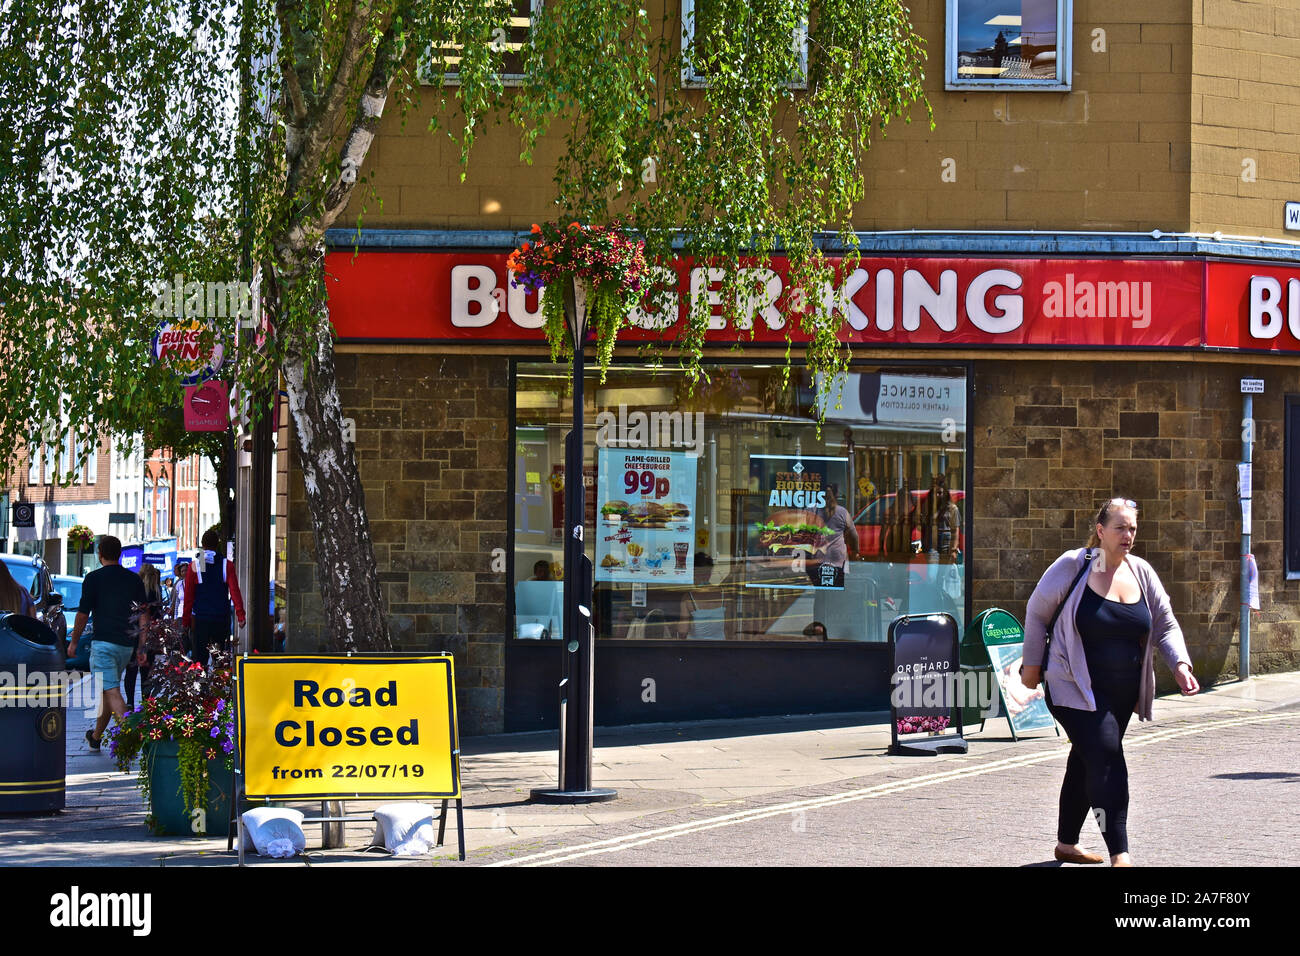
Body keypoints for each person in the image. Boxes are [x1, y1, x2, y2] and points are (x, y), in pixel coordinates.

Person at [1021, 498, 1200, 867]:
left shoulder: (1141, 572)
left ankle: (1066, 845)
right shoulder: (1074, 566)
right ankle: (1121, 852)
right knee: (1106, 758)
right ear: (1100, 531)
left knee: (1087, 761)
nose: (1128, 535)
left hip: (1121, 694)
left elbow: (1165, 624)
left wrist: (1180, 664)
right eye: (1120, 528)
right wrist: (1032, 666)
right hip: (1072, 685)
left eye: (1132, 528)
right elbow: (1037, 615)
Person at [67, 536, 149, 751]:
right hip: (125, 646)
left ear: (99, 554)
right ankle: (95, 737)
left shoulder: (93, 578)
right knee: (108, 690)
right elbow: (143, 614)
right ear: (120, 554)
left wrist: (74, 642)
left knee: (112, 691)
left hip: (103, 644)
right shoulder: (134, 580)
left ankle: (133, 737)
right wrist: (141, 645)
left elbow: (83, 614)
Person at [181, 529, 246, 668]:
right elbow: (235, 591)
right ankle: (220, 686)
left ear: (202, 545)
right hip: (220, 619)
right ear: (217, 544)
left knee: (199, 661)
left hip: (201, 620)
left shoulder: (196, 565)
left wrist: (185, 621)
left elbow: (188, 597)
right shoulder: (226, 565)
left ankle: (202, 688)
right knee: (220, 659)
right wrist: (240, 615)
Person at [123, 563, 164, 710]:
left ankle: (130, 702)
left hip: (133, 633)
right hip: (150, 634)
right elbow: (159, 614)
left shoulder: (134, 590)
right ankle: (147, 702)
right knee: (147, 671)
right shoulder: (156, 590)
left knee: (131, 670)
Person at [677, 553, 726, 639]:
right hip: (719, 648)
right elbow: (729, 628)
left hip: (695, 649)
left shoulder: (688, 597)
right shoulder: (723, 594)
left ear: (694, 572)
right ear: (710, 572)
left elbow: (682, 631)